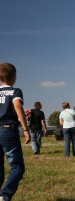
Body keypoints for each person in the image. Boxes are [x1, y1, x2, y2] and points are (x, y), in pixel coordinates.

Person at [0, 63, 31, 201]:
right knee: (17, 167)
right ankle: (5, 195)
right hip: (8, 130)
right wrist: (25, 129)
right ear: (13, 77)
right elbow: (17, 105)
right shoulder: (15, 91)